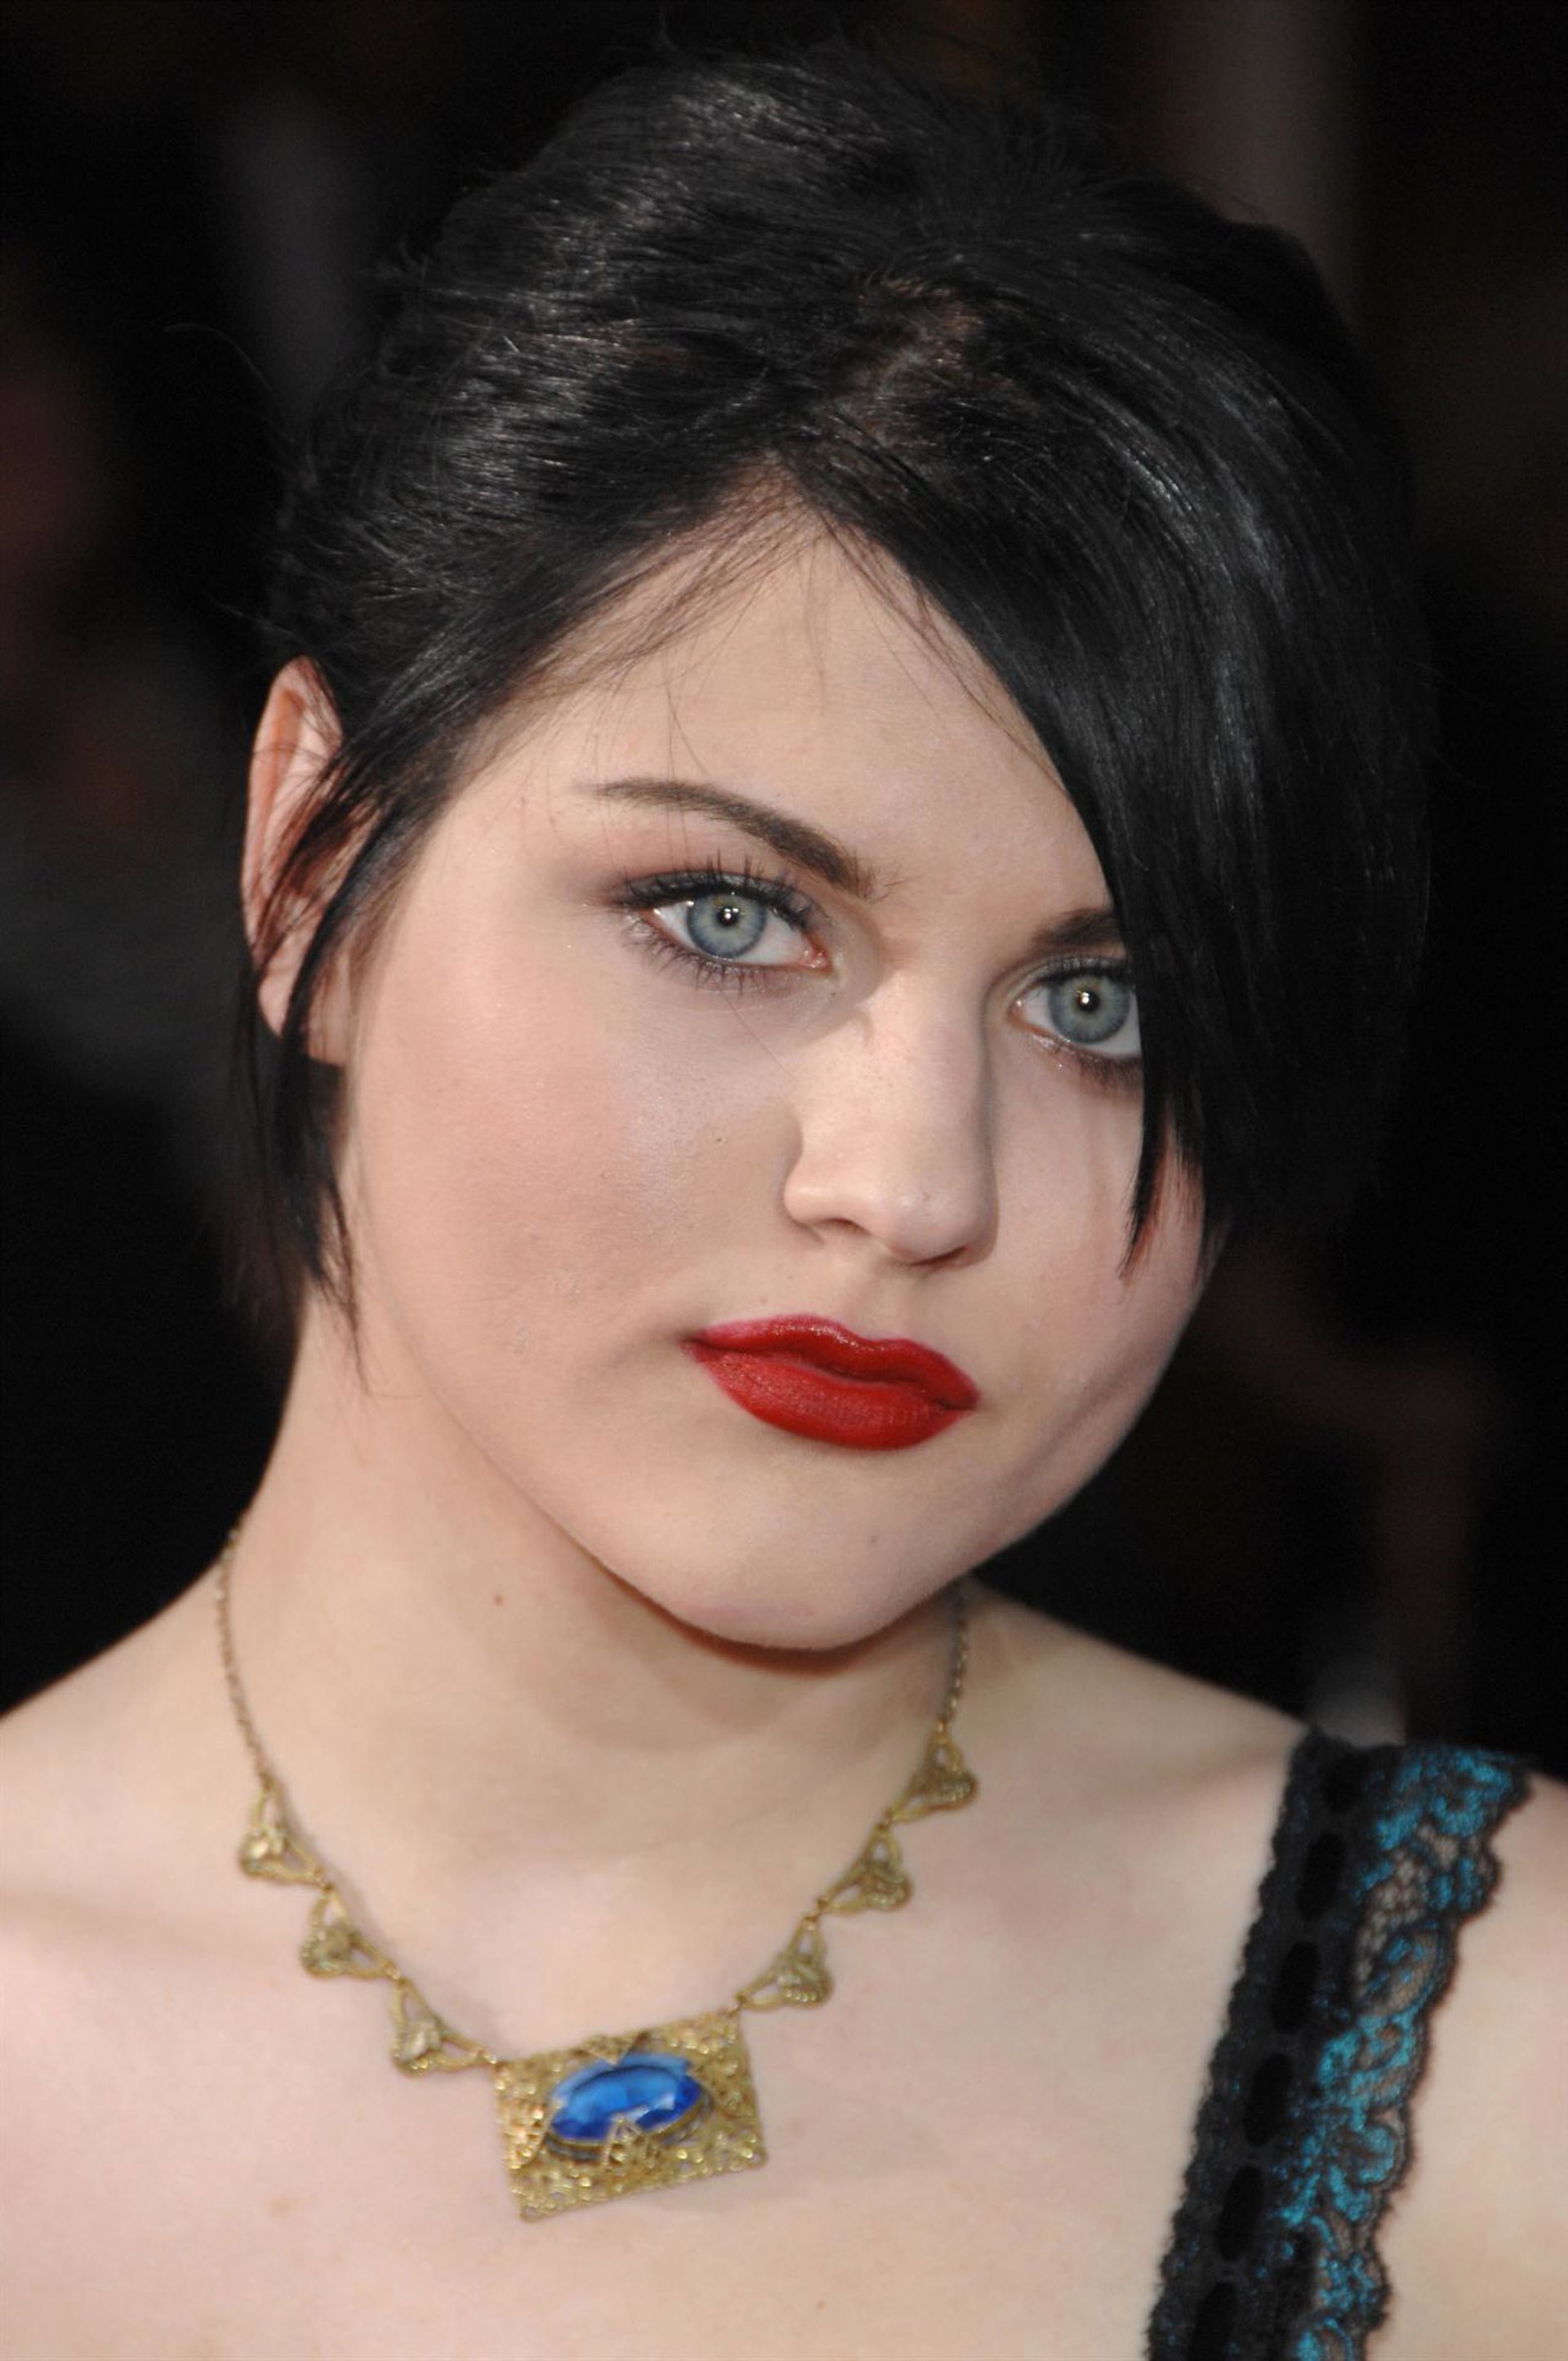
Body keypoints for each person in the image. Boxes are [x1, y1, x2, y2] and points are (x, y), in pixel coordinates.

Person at [2, 40, 1561, 2359]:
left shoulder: (1497, 2068)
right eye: (730, 917)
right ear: (314, 860)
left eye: (1107, 1005)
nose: (912, 1184)